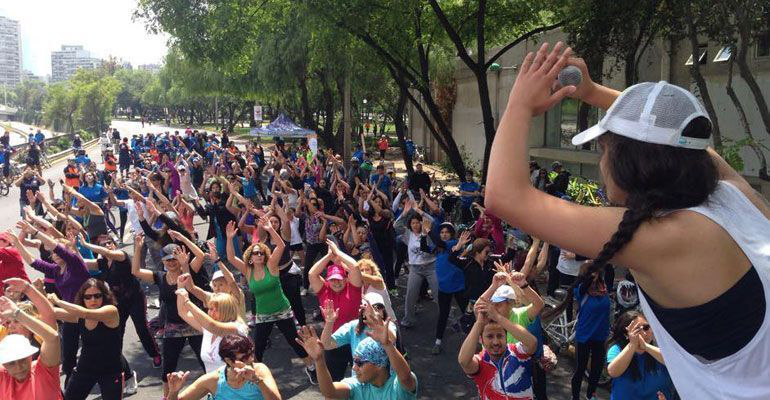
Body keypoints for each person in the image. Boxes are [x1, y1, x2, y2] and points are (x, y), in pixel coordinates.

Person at [486, 42, 770, 397]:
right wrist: (589, 92)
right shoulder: (734, 197)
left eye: (604, 149)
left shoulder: (665, 239)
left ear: (628, 163)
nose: (601, 162)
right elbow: (689, 143)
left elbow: (503, 196)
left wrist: (519, 104)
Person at [225, 216, 316, 384]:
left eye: (261, 252)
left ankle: (311, 368)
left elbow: (281, 245)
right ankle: (254, 377)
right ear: (250, 257)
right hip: (263, 316)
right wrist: (230, 238)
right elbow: (230, 258)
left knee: (295, 342)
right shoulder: (248, 270)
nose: (259, 254)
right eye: (255, 253)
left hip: (282, 311)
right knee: (257, 348)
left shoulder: (271, 266)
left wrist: (270, 229)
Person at [298, 309, 418, 400]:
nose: (354, 368)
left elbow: (405, 377)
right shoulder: (357, 384)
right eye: (354, 362)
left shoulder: (397, 386)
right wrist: (319, 360)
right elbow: (330, 392)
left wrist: (387, 345)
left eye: (360, 363)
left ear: (379, 363)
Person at [50, 279, 123, 400]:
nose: (93, 300)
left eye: (97, 296)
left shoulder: (111, 311)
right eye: (88, 297)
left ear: (104, 296)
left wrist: (57, 301)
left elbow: (86, 313)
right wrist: (38, 293)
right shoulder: (79, 316)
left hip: (111, 371)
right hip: (85, 368)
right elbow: (52, 312)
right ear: (82, 299)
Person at [458, 298, 538, 400]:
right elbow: (463, 361)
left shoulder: (517, 353)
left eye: (500, 336)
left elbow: (532, 342)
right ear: (481, 339)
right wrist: (479, 324)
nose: (496, 342)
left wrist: (498, 317)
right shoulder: (480, 362)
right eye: (490, 336)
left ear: (506, 337)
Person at [309, 241, 363, 380]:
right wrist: (328, 256)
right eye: (333, 280)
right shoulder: (324, 290)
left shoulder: (353, 288)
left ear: (346, 279)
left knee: (362, 380)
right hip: (333, 342)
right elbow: (312, 274)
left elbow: (355, 267)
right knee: (333, 381)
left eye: (339, 279)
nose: (337, 282)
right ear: (328, 280)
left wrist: (337, 252)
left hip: (356, 340)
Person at [165, 334, 281, 400]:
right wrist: (174, 391)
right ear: (228, 361)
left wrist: (257, 380)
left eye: (251, 353)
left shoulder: (259, 370)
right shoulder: (213, 380)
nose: (250, 359)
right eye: (244, 357)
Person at [0, 293, 62, 400]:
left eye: (22, 359)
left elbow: (52, 336)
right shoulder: (3, 375)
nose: (19, 367)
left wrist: (18, 313)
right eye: (11, 362)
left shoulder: (42, 370)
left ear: (30, 356)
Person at [175, 286, 248, 372]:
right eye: (210, 309)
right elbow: (183, 312)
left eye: (216, 310)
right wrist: (180, 289)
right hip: (213, 383)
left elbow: (213, 326)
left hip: (236, 383)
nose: (211, 313)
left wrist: (187, 301)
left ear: (227, 311)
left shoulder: (237, 327)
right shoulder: (207, 328)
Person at [607, 311, 673, 400]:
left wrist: (646, 347)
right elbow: (613, 372)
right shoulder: (617, 349)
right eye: (637, 330)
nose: (644, 334)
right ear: (626, 334)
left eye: (646, 327)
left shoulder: (659, 350)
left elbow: (674, 362)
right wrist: (633, 345)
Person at [393, 200, 438, 329]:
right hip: (415, 268)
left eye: (417, 222)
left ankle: (443, 318)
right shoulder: (407, 235)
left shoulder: (427, 233)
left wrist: (418, 210)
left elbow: (432, 221)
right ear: (410, 224)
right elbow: (396, 226)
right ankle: (408, 319)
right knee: (410, 295)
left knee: (437, 294)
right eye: (413, 223)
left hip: (431, 266)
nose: (415, 225)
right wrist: (404, 213)